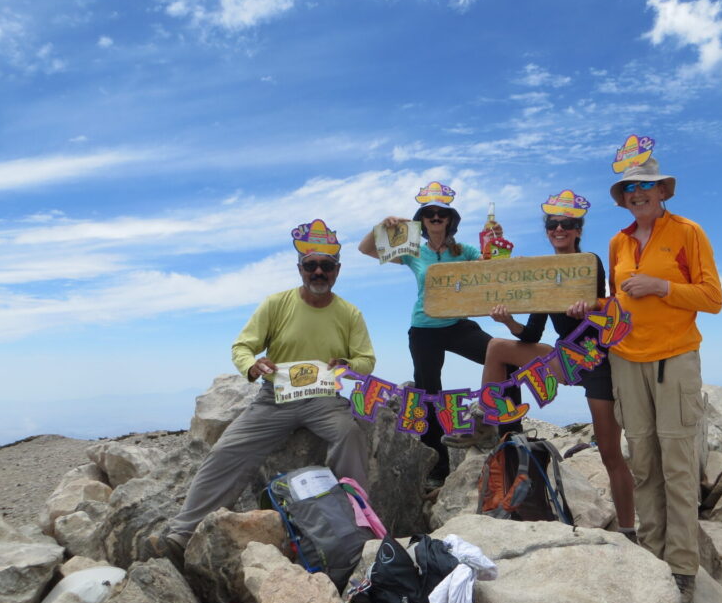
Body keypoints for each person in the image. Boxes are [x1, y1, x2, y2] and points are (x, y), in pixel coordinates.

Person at [149, 219, 376, 565]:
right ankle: (182, 533)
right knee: (227, 450)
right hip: (274, 399)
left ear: (337, 270)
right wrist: (253, 367)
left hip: (324, 400)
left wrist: (347, 362)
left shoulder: (349, 313)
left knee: (349, 436)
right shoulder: (276, 304)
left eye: (326, 266)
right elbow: (243, 346)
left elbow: (366, 360)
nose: (318, 272)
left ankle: (360, 524)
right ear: (299, 268)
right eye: (311, 265)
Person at [447, 190, 637, 537]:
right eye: (553, 224)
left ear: (578, 229)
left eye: (567, 224)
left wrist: (591, 307)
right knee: (498, 348)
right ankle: (498, 427)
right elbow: (531, 333)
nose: (559, 229)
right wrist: (507, 322)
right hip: (565, 359)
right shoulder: (543, 274)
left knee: (610, 453)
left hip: (598, 362)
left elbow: (602, 302)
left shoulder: (588, 262)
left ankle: (628, 530)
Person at [607, 156, 722, 603]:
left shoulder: (688, 233)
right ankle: (652, 560)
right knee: (644, 463)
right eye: (630, 188)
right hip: (626, 360)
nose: (638, 193)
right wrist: (590, 306)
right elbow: (620, 299)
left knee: (677, 465)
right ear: (624, 198)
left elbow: (713, 298)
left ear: (662, 191)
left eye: (646, 185)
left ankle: (682, 570)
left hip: (674, 358)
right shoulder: (618, 242)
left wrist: (662, 287)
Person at [359, 182, 515, 482]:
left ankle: (509, 433)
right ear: (421, 220)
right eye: (429, 214)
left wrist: (495, 246)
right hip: (424, 329)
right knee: (428, 393)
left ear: (449, 220)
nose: (435, 218)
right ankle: (438, 467)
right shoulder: (412, 249)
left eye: (441, 214)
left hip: (458, 325)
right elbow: (365, 249)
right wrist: (383, 224)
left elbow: (492, 267)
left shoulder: (463, 250)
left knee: (505, 361)